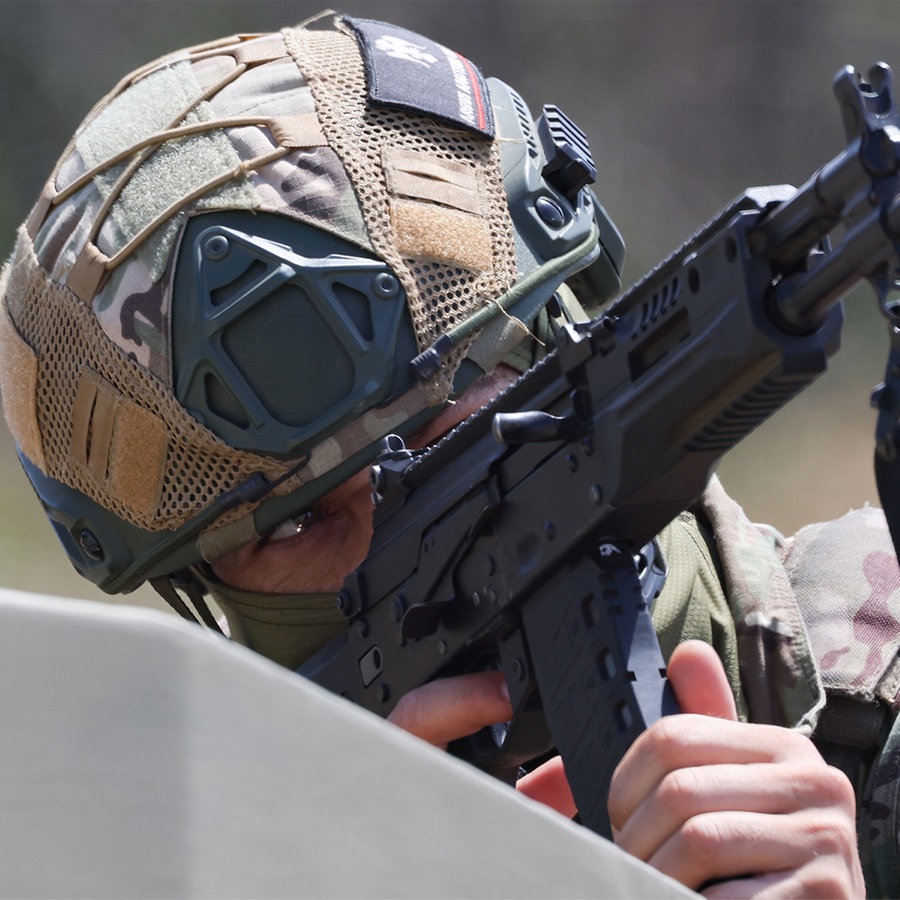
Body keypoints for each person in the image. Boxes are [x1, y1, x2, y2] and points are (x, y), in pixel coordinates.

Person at [0, 10, 893, 896]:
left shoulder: (877, 692)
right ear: (211, 600)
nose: (393, 534)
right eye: (298, 523)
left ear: (558, 344)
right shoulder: (153, 857)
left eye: (446, 437)